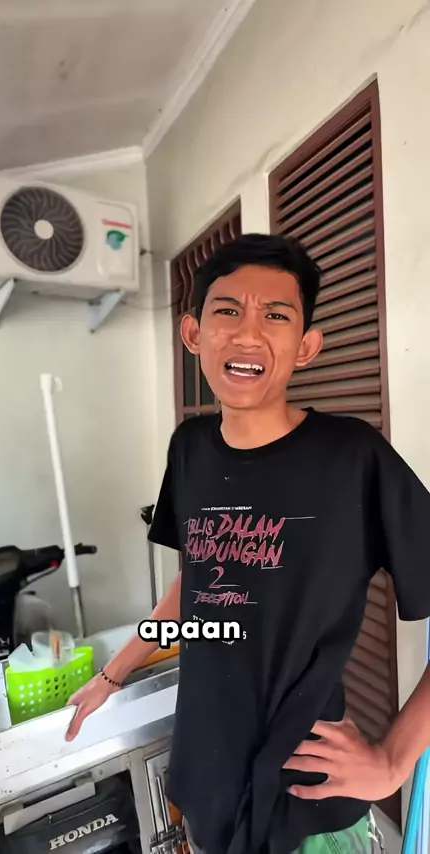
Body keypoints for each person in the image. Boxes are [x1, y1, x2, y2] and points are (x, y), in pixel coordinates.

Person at [66, 234, 430, 854]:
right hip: (205, 781)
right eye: (228, 310)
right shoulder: (190, 449)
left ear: (306, 346)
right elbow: (197, 586)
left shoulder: (353, 458)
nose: (248, 333)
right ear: (193, 334)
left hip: (308, 800)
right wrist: (113, 673)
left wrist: (395, 759)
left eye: (276, 316)